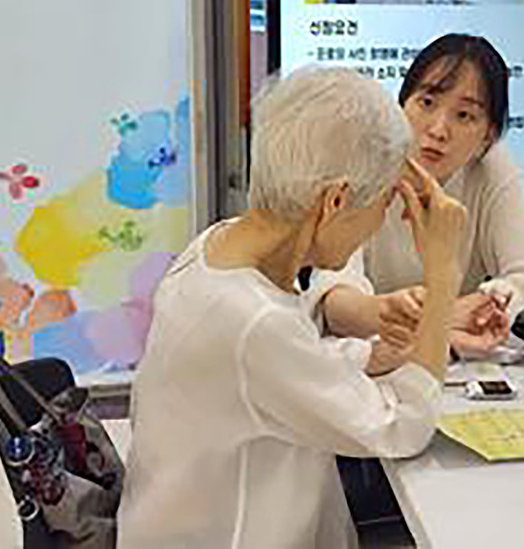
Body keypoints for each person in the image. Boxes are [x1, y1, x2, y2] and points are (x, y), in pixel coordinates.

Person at [117, 67, 467, 548]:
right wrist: (443, 273)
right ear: (336, 201)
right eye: (385, 203)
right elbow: (403, 427)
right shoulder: (254, 321)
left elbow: (279, 368)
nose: (378, 224)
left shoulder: (217, 246)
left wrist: (372, 355)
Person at [319, 34, 524, 362]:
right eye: (427, 103)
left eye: (464, 115)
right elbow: (334, 303)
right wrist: (436, 320)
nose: (439, 130)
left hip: (450, 364)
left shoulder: (491, 168)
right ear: (402, 104)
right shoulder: (363, 162)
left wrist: (450, 324)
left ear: (488, 135)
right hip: (368, 361)